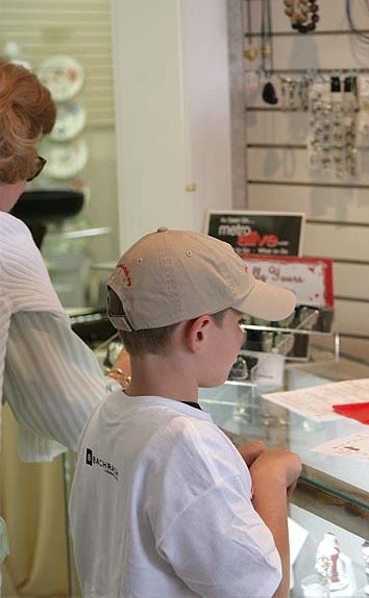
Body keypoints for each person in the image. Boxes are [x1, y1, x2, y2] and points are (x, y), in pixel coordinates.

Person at [69, 228, 301, 597]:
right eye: (238, 322)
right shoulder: (185, 442)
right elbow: (268, 591)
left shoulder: (107, 413)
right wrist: (270, 476)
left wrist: (223, 477)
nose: (241, 336)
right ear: (200, 333)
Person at [0, 59, 130, 577]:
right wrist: (126, 376)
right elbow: (74, 412)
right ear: (14, 160)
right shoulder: (6, 241)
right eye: (32, 165)